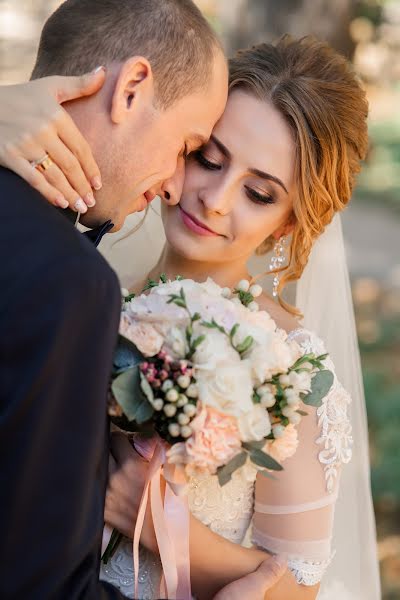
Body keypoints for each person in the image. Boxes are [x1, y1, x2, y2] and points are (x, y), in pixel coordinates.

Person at [1, 31, 381, 599]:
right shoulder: (88, 290)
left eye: (259, 193)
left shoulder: (288, 367)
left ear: (287, 225)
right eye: (209, 159)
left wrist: (160, 525)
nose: (217, 197)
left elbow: (302, 586)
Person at [0, 1, 235, 598]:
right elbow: (39, 584)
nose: (178, 187)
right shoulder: (69, 282)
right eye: (189, 147)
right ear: (132, 87)